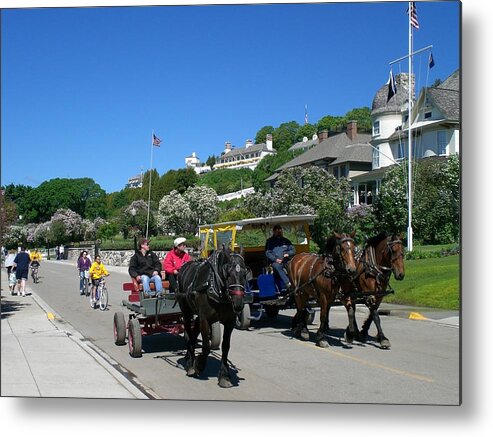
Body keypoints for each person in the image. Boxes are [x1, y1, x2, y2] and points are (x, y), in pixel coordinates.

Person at [265, 224, 295, 290]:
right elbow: (267, 253)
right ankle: (288, 284)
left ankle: (296, 282)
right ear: (274, 231)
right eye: (277, 231)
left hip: (286, 260)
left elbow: (293, 250)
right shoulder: (270, 241)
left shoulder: (286, 241)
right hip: (275, 261)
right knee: (277, 267)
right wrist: (275, 259)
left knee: (293, 265)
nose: (279, 232)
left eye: (280, 230)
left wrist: (288, 254)